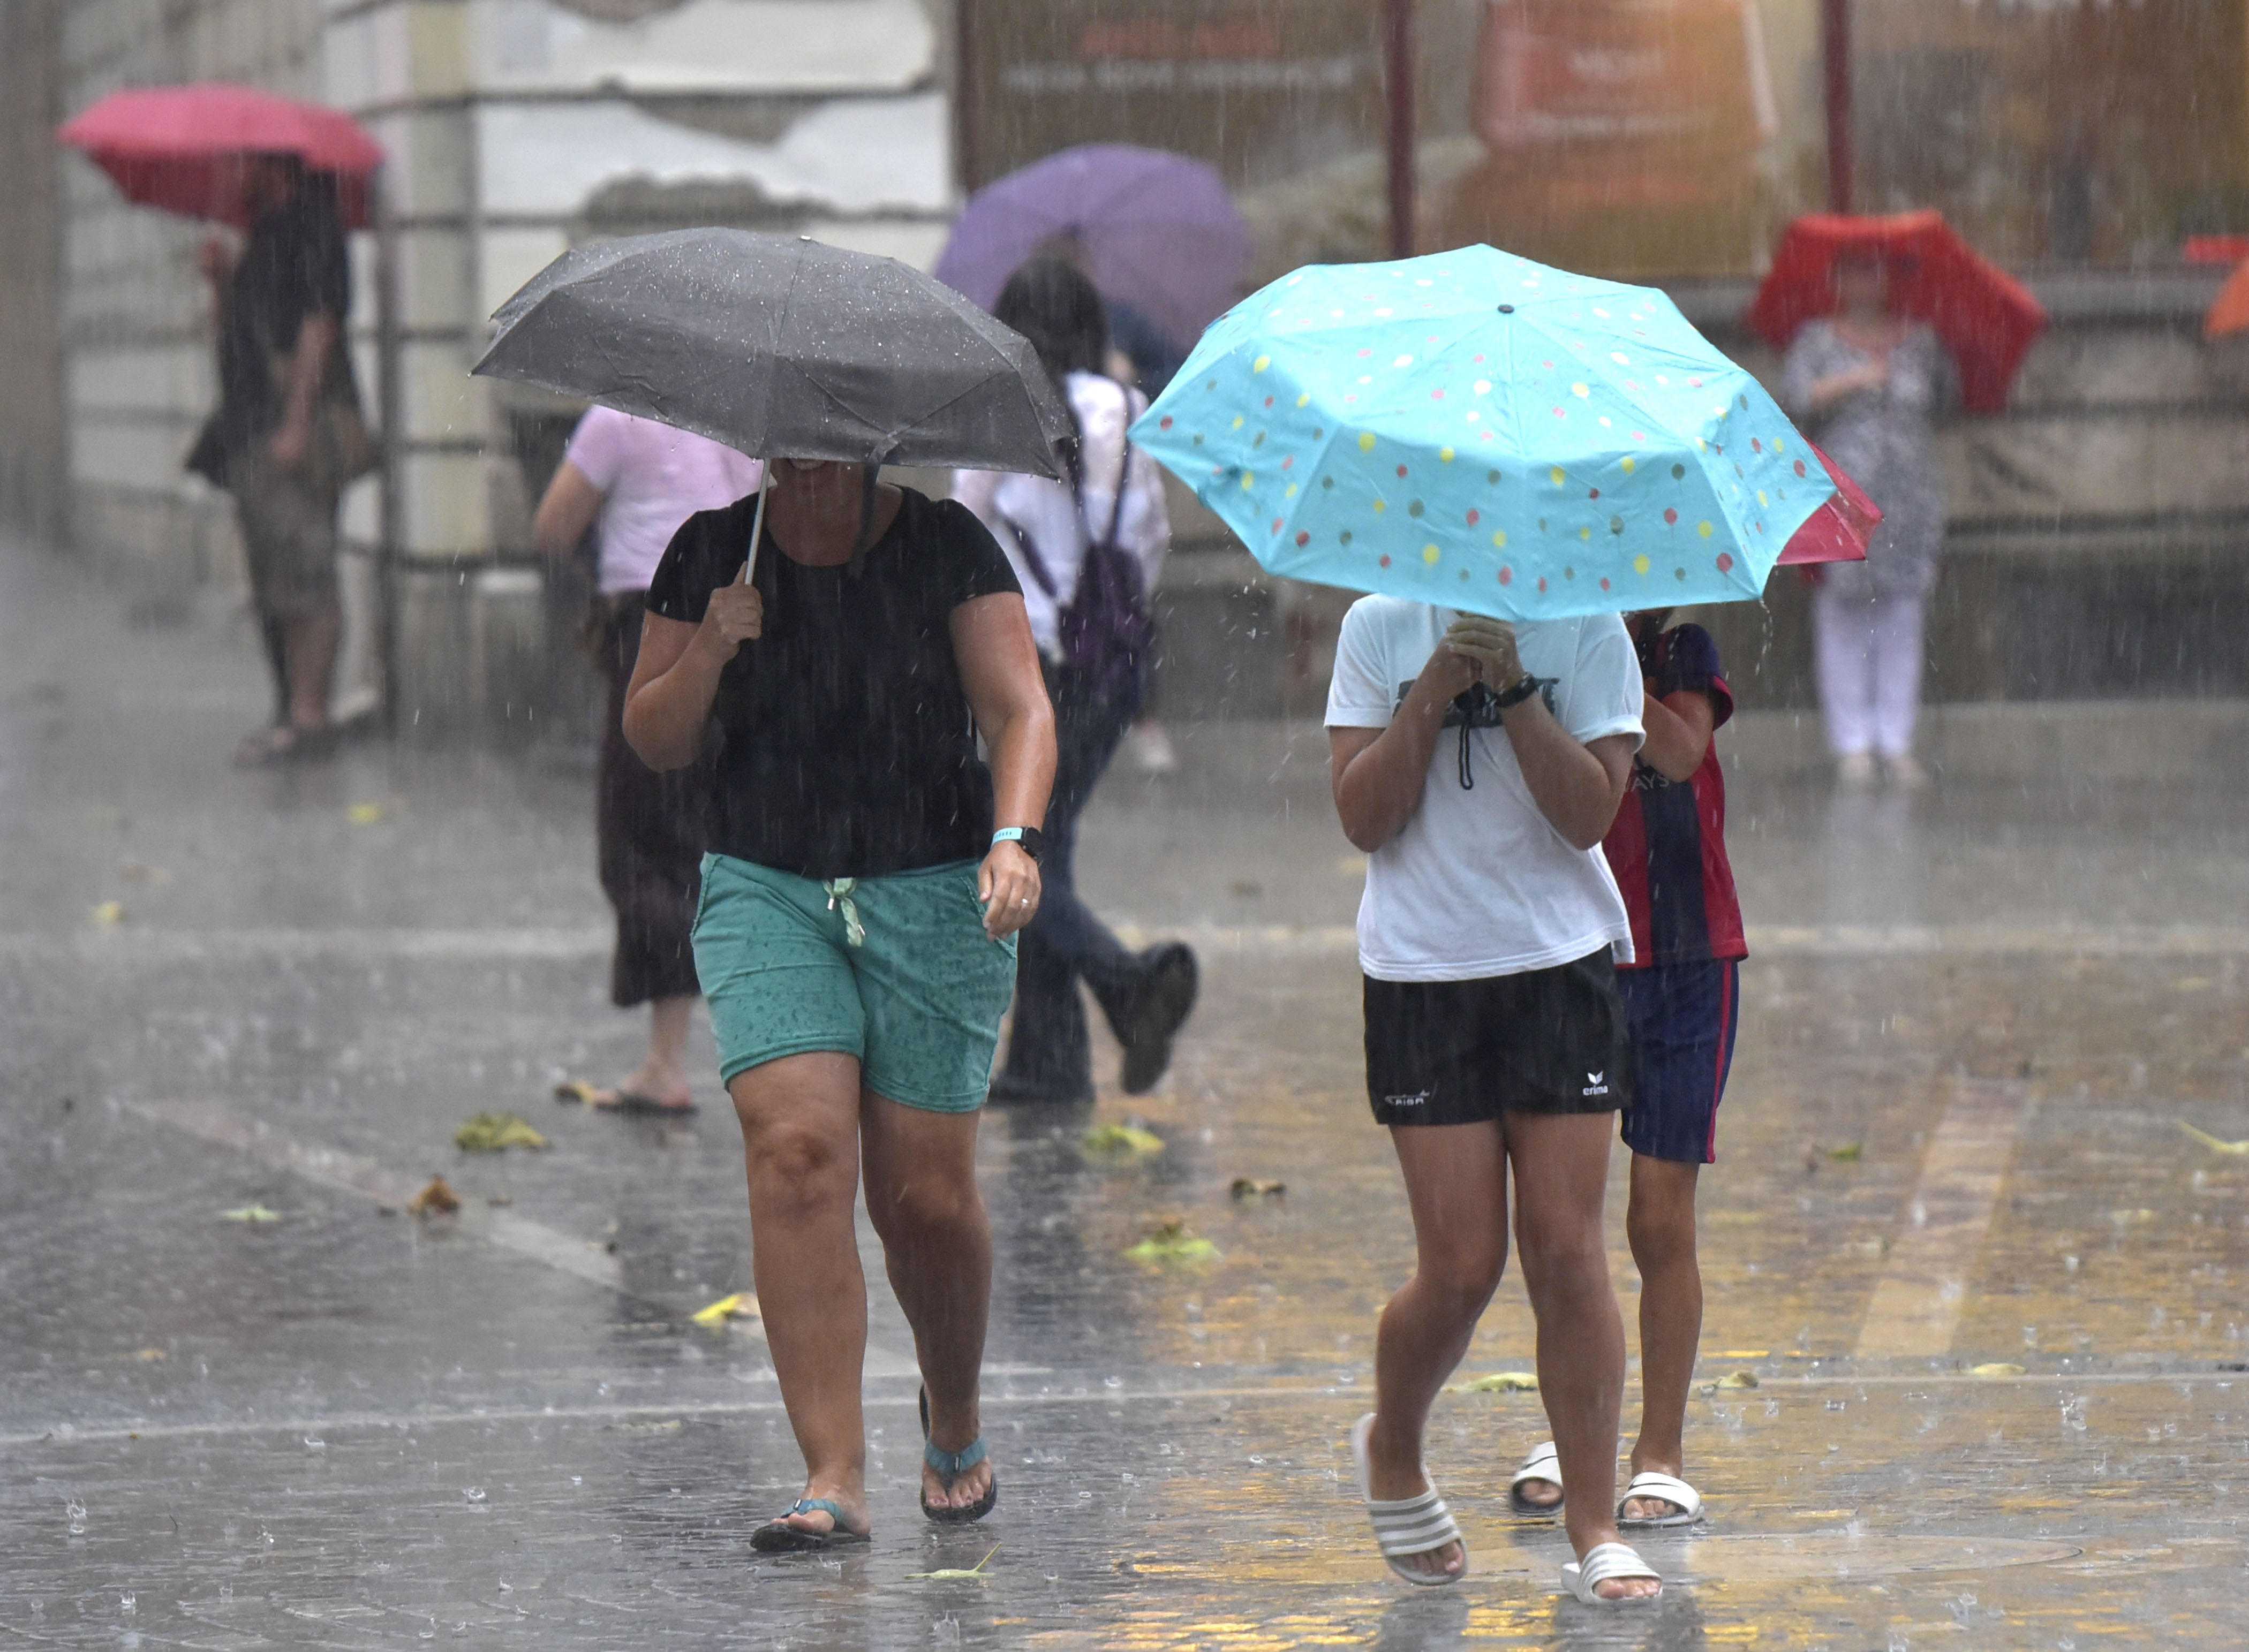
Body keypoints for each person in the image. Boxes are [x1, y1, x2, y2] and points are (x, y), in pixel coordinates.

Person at [623, 455, 1055, 1550]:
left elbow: (1020, 711)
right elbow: (655, 736)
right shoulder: (713, 550)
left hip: (931, 887)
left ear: (871, 453)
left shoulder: (947, 545)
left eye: (828, 451)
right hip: (768, 885)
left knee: (926, 1201)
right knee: (799, 1156)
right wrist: (714, 643)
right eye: (784, 448)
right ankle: (834, 1473)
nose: (802, 470)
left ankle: (951, 1410)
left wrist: (1016, 839)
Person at [1326, 599, 1662, 1603]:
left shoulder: (1592, 627)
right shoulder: (1376, 625)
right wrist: (1432, 686)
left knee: (1566, 1247)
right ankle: (1394, 1440)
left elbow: (1589, 814)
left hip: (1558, 965)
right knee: (1462, 1265)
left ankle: (1594, 1523)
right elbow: (1362, 817)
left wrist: (1513, 684)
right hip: (1421, 972)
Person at [1510, 608, 1745, 1534]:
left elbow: (1682, 751)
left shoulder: (1680, 650)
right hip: (1575, 953)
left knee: (1659, 1215)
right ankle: (1575, 1434)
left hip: (1689, 962)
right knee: (1563, 1223)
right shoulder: (1545, 644)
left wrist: (1607, 664)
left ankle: (1662, 1449)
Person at [954, 258, 1197, 1107]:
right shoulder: (1126, 408)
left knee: (1005, 851)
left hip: (1032, 667)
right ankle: (1047, 1063)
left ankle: (1127, 983)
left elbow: (966, 533)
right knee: (1047, 847)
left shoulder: (997, 408)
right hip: (1114, 666)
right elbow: (1153, 536)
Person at [532, 408, 761, 1113]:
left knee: (639, 839)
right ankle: (678, 1049)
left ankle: (670, 1060)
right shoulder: (741, 420)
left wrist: (609, 539)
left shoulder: (617, 419)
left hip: (653, 630)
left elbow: (551, 526)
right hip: (730, 630)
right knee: (691, 833)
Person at [190, 154, 354, 767]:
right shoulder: (263, 232)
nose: (232, 172)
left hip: (284, 433)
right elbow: (233, 332)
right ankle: (289, 710)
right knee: (273, 581)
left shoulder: (312, 225)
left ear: (272, 165)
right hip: (246, 429)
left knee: (306, 567)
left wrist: (295, 424)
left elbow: (318, 326)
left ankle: (310, 717)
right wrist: (220, 282)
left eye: (243, 162)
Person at [1780, 251, 1959, 789]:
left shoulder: (1922, 341)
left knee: (1903, 616)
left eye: (1879, 269)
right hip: (1842, 495)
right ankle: (1852, 742)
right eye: (1857, 269)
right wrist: (1860, 378)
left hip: (1910, 498)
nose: (1868, 280)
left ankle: (1896, 740)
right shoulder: (1816, 339)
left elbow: (1949, 400)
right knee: (1842, 615)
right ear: (1837, 278)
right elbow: (1792, 397)